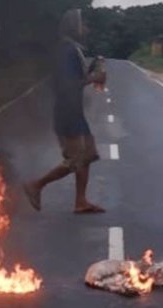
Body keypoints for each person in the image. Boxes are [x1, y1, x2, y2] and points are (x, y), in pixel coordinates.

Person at [24, 9, 107, 214]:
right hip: (67, 112)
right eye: (83, 24)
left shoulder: (72, 48)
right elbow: (67, 84)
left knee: (89, 154)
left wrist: (91, 71)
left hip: (74, 111)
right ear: (74, 26)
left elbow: (73, 79)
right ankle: (36, 185)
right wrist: (94, 78)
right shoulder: (66, 50)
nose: (86, 28)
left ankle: (81, 201)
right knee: (76, 159)